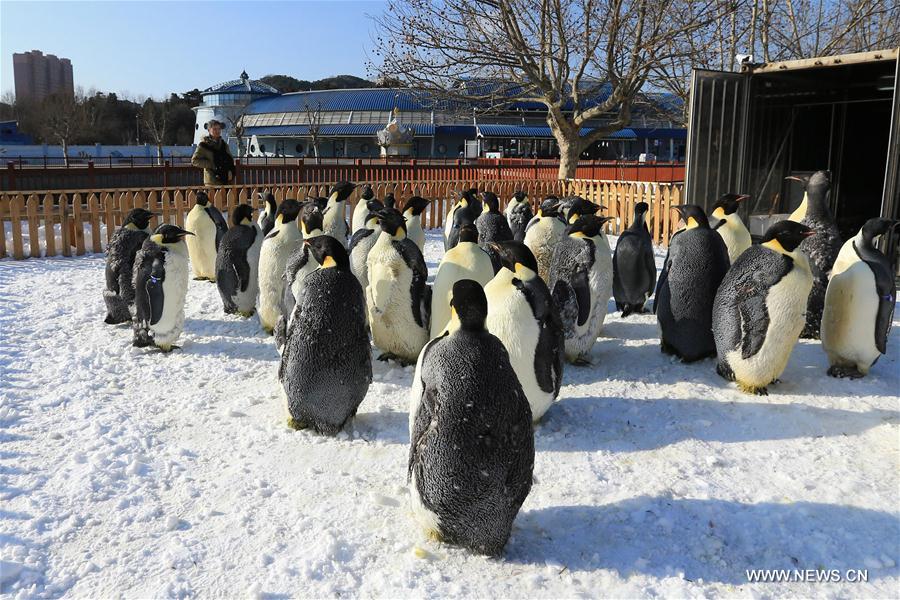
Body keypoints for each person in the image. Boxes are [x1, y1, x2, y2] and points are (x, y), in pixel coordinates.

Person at [192, 119, 235, 185]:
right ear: (209, 130)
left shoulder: (224, 144)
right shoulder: (204, 145)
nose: (217, 131)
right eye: (214, 129)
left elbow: (230, 159)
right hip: (211, 181)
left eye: (219, 129)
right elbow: (194, 161)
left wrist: (230, 171)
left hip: (224, 179)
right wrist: (211, 164)